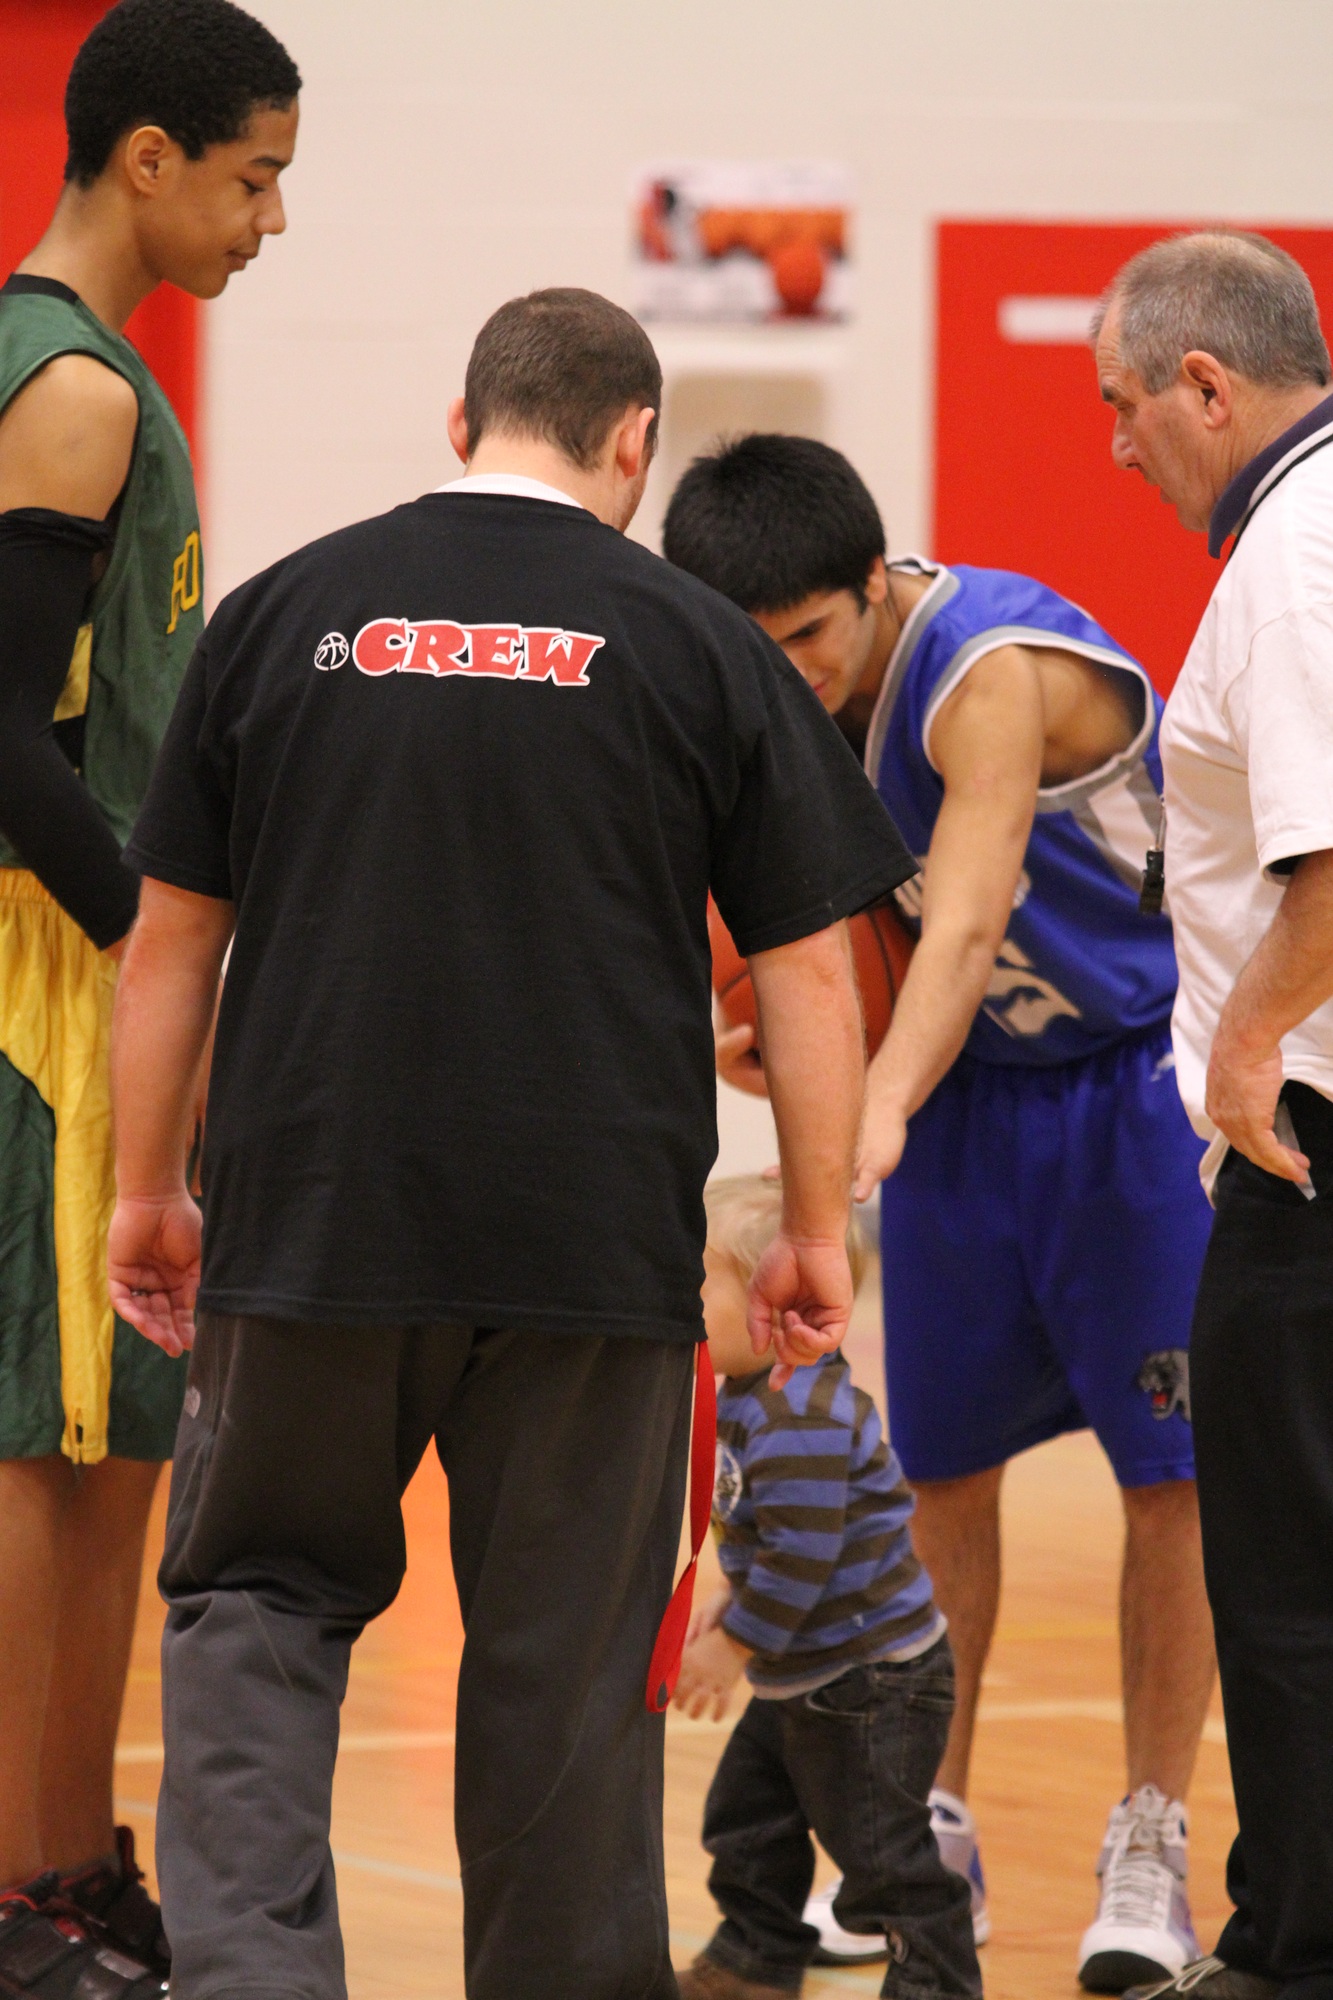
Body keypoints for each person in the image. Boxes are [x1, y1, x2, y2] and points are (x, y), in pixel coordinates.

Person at [104, 288, 916, 2000]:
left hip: (307, 1224)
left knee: (255, 1604)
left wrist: (146, 1188)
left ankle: (248, 1980)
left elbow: (171, 942)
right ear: (635, 445)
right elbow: (806, 972)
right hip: (591, 1251)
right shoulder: (697, 644)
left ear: (461, 423)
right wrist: (810, 1228)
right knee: (563, 1671)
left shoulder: (281, 615)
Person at [664, 435, 1217, 1991]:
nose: (789, 674)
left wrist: (869, 1106)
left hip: (1131, 1078)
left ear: (873, 583)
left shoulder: (987, 669)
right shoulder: (769, 697)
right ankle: (933, 1830)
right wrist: (779, 1039)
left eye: (809, 638)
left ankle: (1152, 1838)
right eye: (757, 651)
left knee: (1170, 1477)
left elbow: (964, 927)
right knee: (938, 1474)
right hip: (973, 1096)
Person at [0, 0, 298, 1971]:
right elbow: (1, 734)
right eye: (254, 179)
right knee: (60, 1442)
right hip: (52, 977)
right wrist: (153, 943)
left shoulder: (60, 366)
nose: (270, 221)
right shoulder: (75, 389)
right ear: (148, 158)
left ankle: (62, 1865)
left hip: (66, 959)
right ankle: (29, 1892)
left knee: (97, 1444)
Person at [1093, 230, 1333, 2000]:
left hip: (1307, 1149)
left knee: (1286, 1573)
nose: (1115, 447)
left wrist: (1242, 1056)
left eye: (1124, 407)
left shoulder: (1294, 559)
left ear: (1204, 384)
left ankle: (1292, 1948)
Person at [673, 1175, 981, 2000]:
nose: (684, 1302)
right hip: (809, 1668)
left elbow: (803, 1556)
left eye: (701, 1284)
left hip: (869, 1681)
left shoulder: (798, 1416)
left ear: (775, 1307)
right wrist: (733, 1604)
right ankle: (755, 1960)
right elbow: (779, 1538)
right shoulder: (751, 1396)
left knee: (882, 1858)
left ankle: (937, 1986)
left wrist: (733, 1645)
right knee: (748, 1818)